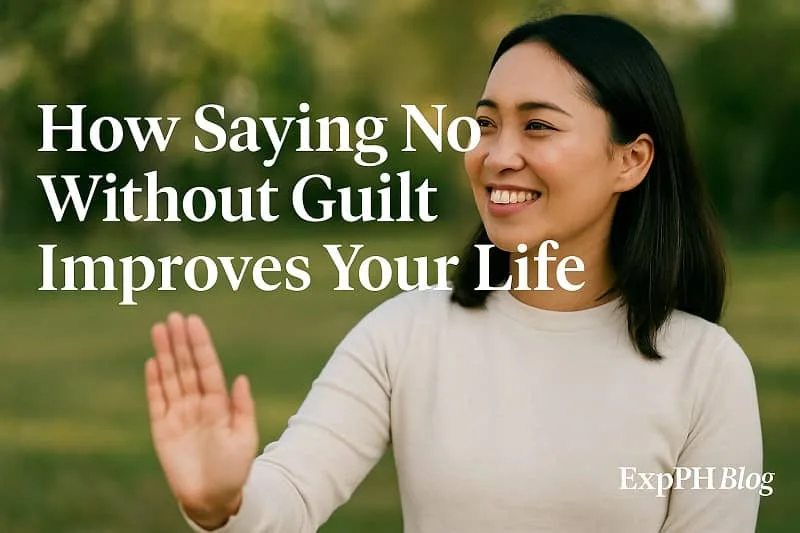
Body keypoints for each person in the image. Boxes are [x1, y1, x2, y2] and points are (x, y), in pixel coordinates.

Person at [144, 13, 764, 533]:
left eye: (538, 125)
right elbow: (292, 492)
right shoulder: (407, 332)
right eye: (486, 123)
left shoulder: (709, 370)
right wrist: (221, 503)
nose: (498, 155)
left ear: (631, 160)